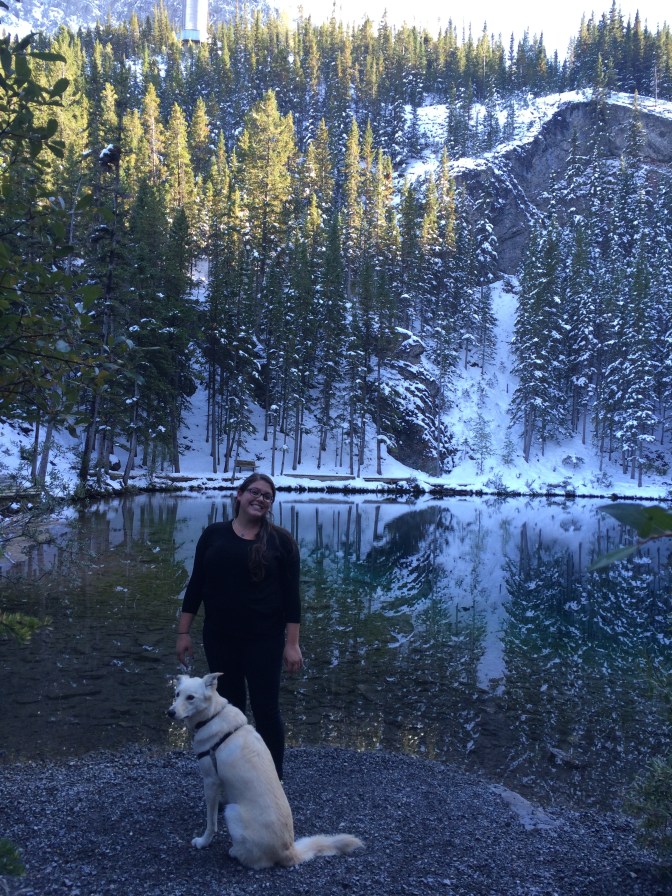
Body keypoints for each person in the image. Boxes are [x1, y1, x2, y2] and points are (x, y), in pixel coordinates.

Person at [175, 472, 302, 780]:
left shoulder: (281, 541)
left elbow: (291, 596)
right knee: (228, 711)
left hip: (264, 639)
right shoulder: (214, 534)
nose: (260, 499)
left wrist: (292, 643)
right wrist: (183, 632)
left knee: (266, 710)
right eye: (254, 492)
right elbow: (197, 585)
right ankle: (233, 776)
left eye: (267, 496)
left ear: (270, 504)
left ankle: (272, 779)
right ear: (239, 495)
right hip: (220, 637)